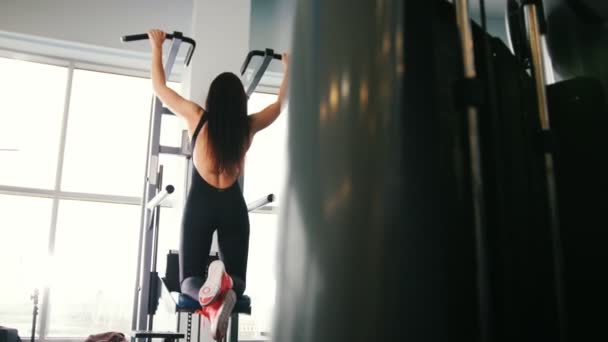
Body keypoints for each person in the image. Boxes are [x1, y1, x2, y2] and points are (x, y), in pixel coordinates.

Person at [147, 29, 289, 340]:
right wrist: (288, 69)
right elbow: (278, 107)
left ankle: (208, 292)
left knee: (187, 281)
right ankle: (225, 290)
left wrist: (156, 45)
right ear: (240, 102)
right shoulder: (247, 126)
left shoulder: (197, 117)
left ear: (212, 97)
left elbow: (159, 87)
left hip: (202, 204)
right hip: (232, 207)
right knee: (237, 278)